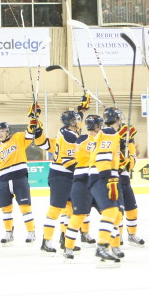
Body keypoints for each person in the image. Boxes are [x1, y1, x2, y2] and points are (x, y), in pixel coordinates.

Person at [37, 94, 90, 254]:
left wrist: (82, 109)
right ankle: (46, 241)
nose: (79, 121)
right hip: (61, 176)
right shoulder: (68, 137)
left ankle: (64, 238)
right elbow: (68, 162)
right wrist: (84, 172)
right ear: (71, 123)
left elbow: (77, 120)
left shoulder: (68, 132)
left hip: (66, 176)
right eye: (76, 120)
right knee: (55, 209)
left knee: (70, 209)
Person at [0, 105, 47, 246]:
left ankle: (31, 232)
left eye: (3, 131)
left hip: (19, 178)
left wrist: (33, 118)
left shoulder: (18, 138)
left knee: (25, 206)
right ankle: (9, 233)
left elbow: (31, 131)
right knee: (6, 209)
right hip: (3, 181)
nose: (0, 134)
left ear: (8, 131)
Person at [87, 107, 125, 266]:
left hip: (105, 175)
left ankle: (106, 248)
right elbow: (103, 157)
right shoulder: (110, 133)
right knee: (110, 211)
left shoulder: (108, 133)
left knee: (116, 213)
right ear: (118, 119)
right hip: (102, 176)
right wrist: (108, 179)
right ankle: (102, 247)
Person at [62, 114, 103, 261]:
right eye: (100, 126)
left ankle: (69, 247)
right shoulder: (86, 140)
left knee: (107, 213)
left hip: (85, 181)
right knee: (108, 214)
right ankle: (109, 246)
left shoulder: (82, 139)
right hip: (90, 181)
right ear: (97, 126)